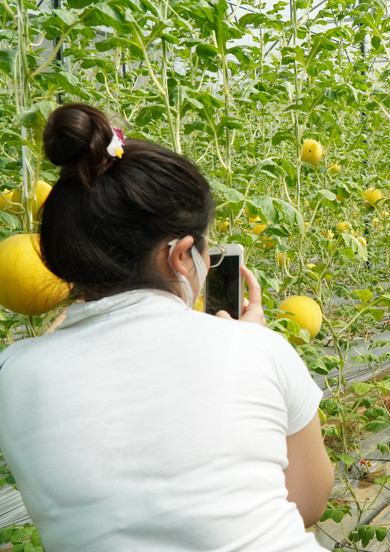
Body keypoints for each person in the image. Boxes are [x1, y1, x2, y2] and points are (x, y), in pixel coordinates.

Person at [0, 104, 333, 551]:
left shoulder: (12, 374)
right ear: (180, 256)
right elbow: (308, 503)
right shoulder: (256, 348)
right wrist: (251, 338)